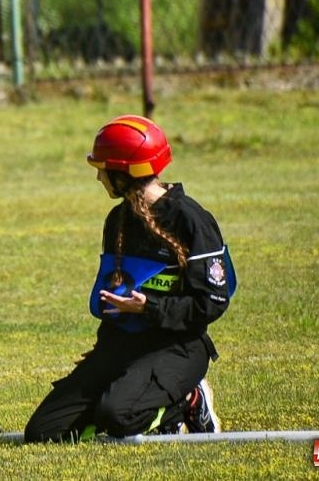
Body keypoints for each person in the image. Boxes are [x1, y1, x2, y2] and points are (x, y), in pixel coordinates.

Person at [23, 113, 235, 442]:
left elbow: (212, 302)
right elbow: (115, 295)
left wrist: (149, 308)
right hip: (123, 345)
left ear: (124, 173)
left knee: (119, 416)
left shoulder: (190, 220)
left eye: (103, 170)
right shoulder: (117, 220)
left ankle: (188, 400)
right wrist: (102, 353)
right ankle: (125, 395)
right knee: (43, 432)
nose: (99, 178)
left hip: (178, 348)